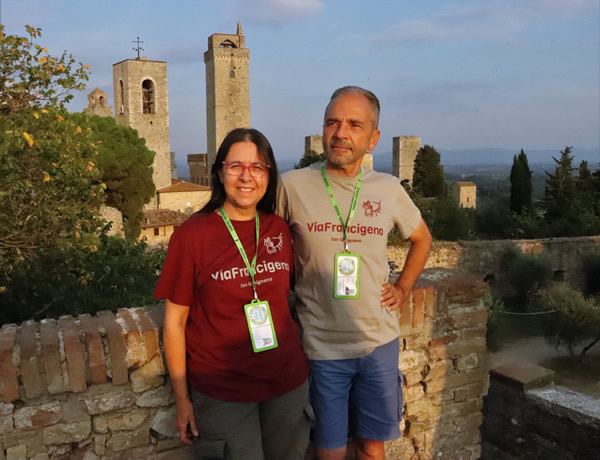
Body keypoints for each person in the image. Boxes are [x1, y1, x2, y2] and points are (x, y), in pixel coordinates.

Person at [277, 86, 432, 460]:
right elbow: (267, 248)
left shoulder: (388, 188)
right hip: (320, 346)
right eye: (333, 122)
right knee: (328, 450)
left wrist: (404, 286)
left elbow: (422, 239)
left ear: (372, 137)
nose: (341, 133)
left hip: (378, 343)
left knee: (371, 447)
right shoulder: (293, 185)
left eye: (354, 124)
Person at [155, 128, 310, 460]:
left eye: (257, 167)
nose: (246, 176)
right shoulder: (191, 236)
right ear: (219, 172)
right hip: (223, 391)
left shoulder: (278, 230)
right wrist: (182, 398)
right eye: (235, 165)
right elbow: (174, 323)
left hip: (287, 383)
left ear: (268, 174)